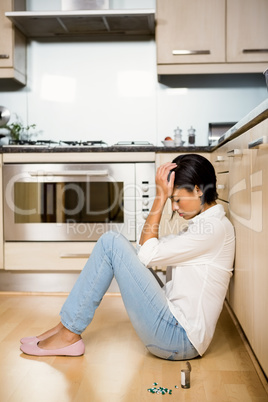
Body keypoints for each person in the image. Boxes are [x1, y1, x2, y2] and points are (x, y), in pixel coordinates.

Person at [20, 154, 235, 360]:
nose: (174, 207)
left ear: (198, 190)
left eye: (176, 199)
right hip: (175, 329)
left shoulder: (211, 230)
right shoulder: (206, 227)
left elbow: (147, 252)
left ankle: (68, 332)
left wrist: (160, 196)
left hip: (179, 339)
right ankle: (64, 327)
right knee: (116, 244)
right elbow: (144, 251)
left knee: (111, 243)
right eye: (171, 200)